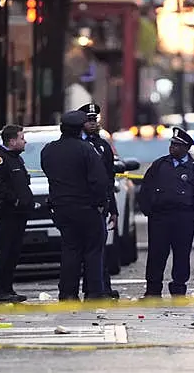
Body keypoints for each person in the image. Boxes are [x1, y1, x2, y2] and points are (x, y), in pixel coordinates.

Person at [40, 111, 110, 301]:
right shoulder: (86, 150)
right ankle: (94, 292)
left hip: (62, 208)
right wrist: (101, 203)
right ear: (80, 129)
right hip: (86, 208)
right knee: (93, 251)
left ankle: (68, 293)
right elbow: (99, 181)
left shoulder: (49, 150)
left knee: (70, 250)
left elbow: (49, 173)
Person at [138, 127, 194, 298]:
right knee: (156, 254)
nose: (173, 148)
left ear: (186, 148)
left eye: (178, 145)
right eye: (172, 144)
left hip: (184, 218)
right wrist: (148, 210)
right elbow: (146, 188)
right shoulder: (160, 165)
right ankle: (153, 290)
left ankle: (179, 290)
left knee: (181, 255)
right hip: (160, 217)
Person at [0, 124, 34, 303]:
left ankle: (7, 288)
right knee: (0, 252)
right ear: (12, 141)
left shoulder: (15, 159)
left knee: (12, 253)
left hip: (17, 214)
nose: (25, 141)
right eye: (22, 138)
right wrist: (14, 199)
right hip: (4, 214)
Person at [78, 102, 119, 299]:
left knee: (99, 248)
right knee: (84, 250)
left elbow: (109, 179)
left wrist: (113, 208)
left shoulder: (103, 145)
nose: (93, 124)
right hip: (82, 204)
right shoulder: (77, 143)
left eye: (95, 120)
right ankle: (91, 289)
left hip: (100, 204)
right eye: (89, 120)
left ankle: (102, 287)